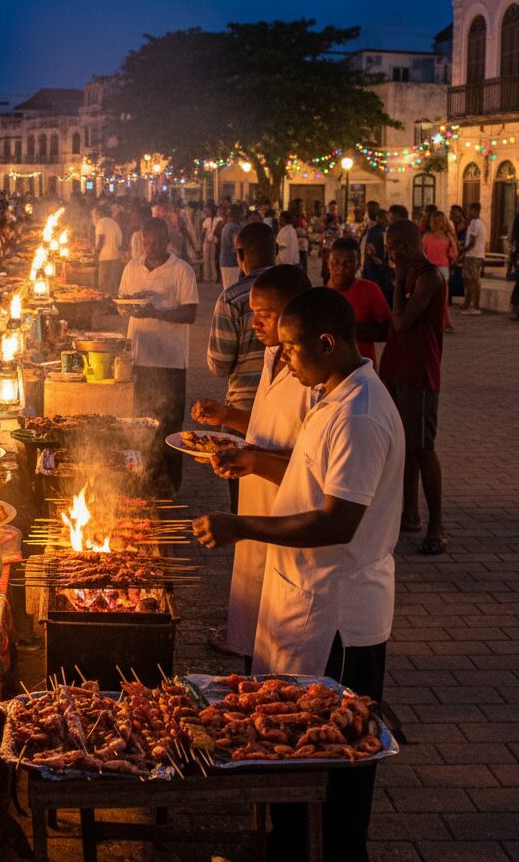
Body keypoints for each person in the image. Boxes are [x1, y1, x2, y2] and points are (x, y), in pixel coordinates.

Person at [194, 287, 404, 862]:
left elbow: (337, 520)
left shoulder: (359, 413)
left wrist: (244, 527)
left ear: (329, 342)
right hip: (306, 595)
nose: (282, 359)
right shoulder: (334, 395)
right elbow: (313, 472)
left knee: (331, 749)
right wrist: (256, 461)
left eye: (291, 347)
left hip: (336, 612)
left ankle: (331, 851)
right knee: (286, 738)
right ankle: (284, 842)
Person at [192, 265, 313, 665]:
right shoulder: (272, 355)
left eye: (266, 313)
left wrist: (255, 460)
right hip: (255, 493)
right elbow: (262, 424)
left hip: (288, 505)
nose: (254, 322)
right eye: (252, 311)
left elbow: (315, 461)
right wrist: (226, 417)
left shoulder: (312, 374)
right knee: (253, 608)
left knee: (282, 630)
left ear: (296, 313)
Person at [118, 217, 198, 496]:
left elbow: (190, 313)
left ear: (167, 241)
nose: (149, 248)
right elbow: (123, 302)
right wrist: (127, 307)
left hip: (171, 361)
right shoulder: (131, 267)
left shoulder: (182, 270)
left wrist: (155, 311)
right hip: (139, 358)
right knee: (139, 423)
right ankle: (143, 481)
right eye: (145, 242)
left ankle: (172, 485)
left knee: (170, 426)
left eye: (155, 243)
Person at [380, 220, 447, 554]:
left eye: (393, 248)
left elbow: (402, 321)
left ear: (406, 246)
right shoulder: (408, 273)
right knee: (403, 445)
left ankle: (436, 526)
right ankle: (410, 513)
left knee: (422, 447)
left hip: (419, 373)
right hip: (396, 367)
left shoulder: (429, 278)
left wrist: (395, 284)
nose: (391, 254)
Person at [207, 222, 276, 510]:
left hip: (243, 407)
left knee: (244, 504)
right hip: (289, 413)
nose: (258, 322)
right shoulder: (300, 290)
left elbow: (219, 364)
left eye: (265, 316)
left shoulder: (233, 297)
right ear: (275, 252)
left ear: (239, 254)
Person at [326, 237, 390, 364]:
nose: (340, 268)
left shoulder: (371, 290)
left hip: (361, 373)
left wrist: (352, 330)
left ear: (358, 264)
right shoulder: (321, 296)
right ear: (328, 262)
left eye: (348, 263)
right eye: (335, 262)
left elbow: (387, 331)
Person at [422, 210, 458, 332]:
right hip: (443, 269)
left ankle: (430, 322)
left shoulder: (427, 238)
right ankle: (445, 323)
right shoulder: (448, 238)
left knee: (429, 298)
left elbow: (423, 254)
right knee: (443, 299)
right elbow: (453, 255)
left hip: (430, 269)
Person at [457, 201, 487, 314]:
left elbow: (472, 242)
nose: (468, 212)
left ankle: (475, 306)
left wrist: (463, 252)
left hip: (473, 254)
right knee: (468, 279)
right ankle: (467, 303)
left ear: (475, 211)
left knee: (473, 280)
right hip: (474, 254)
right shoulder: (477, 223)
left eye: (469, 210)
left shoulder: (475, 223)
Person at [92, 204, 124, 295]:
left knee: (103, 288)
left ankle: (104, 307)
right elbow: (119, 243)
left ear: (99, 213)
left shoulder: (101, 223)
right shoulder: (114, 223)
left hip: (105, 259)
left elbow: (101, 239)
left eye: (96, 214)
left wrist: (96, 254)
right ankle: (113, 307)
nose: (95, 216)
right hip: (116, 258)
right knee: (114, 288)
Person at [218, 204, 244, 289]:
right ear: (238, 214)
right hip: (232, 263)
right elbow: (237, 245)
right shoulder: (233, 228)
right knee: (232, 289)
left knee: (228, 288)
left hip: (227, 262)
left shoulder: (227, 226)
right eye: (242, 213)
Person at [200, 204, 221, 282]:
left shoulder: (219, 219)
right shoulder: (207, 220)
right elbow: (203, 232)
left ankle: (213, 276)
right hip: (207, 241)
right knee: (206, 259)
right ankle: (207, 276)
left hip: (214, 241)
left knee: (212, 259)